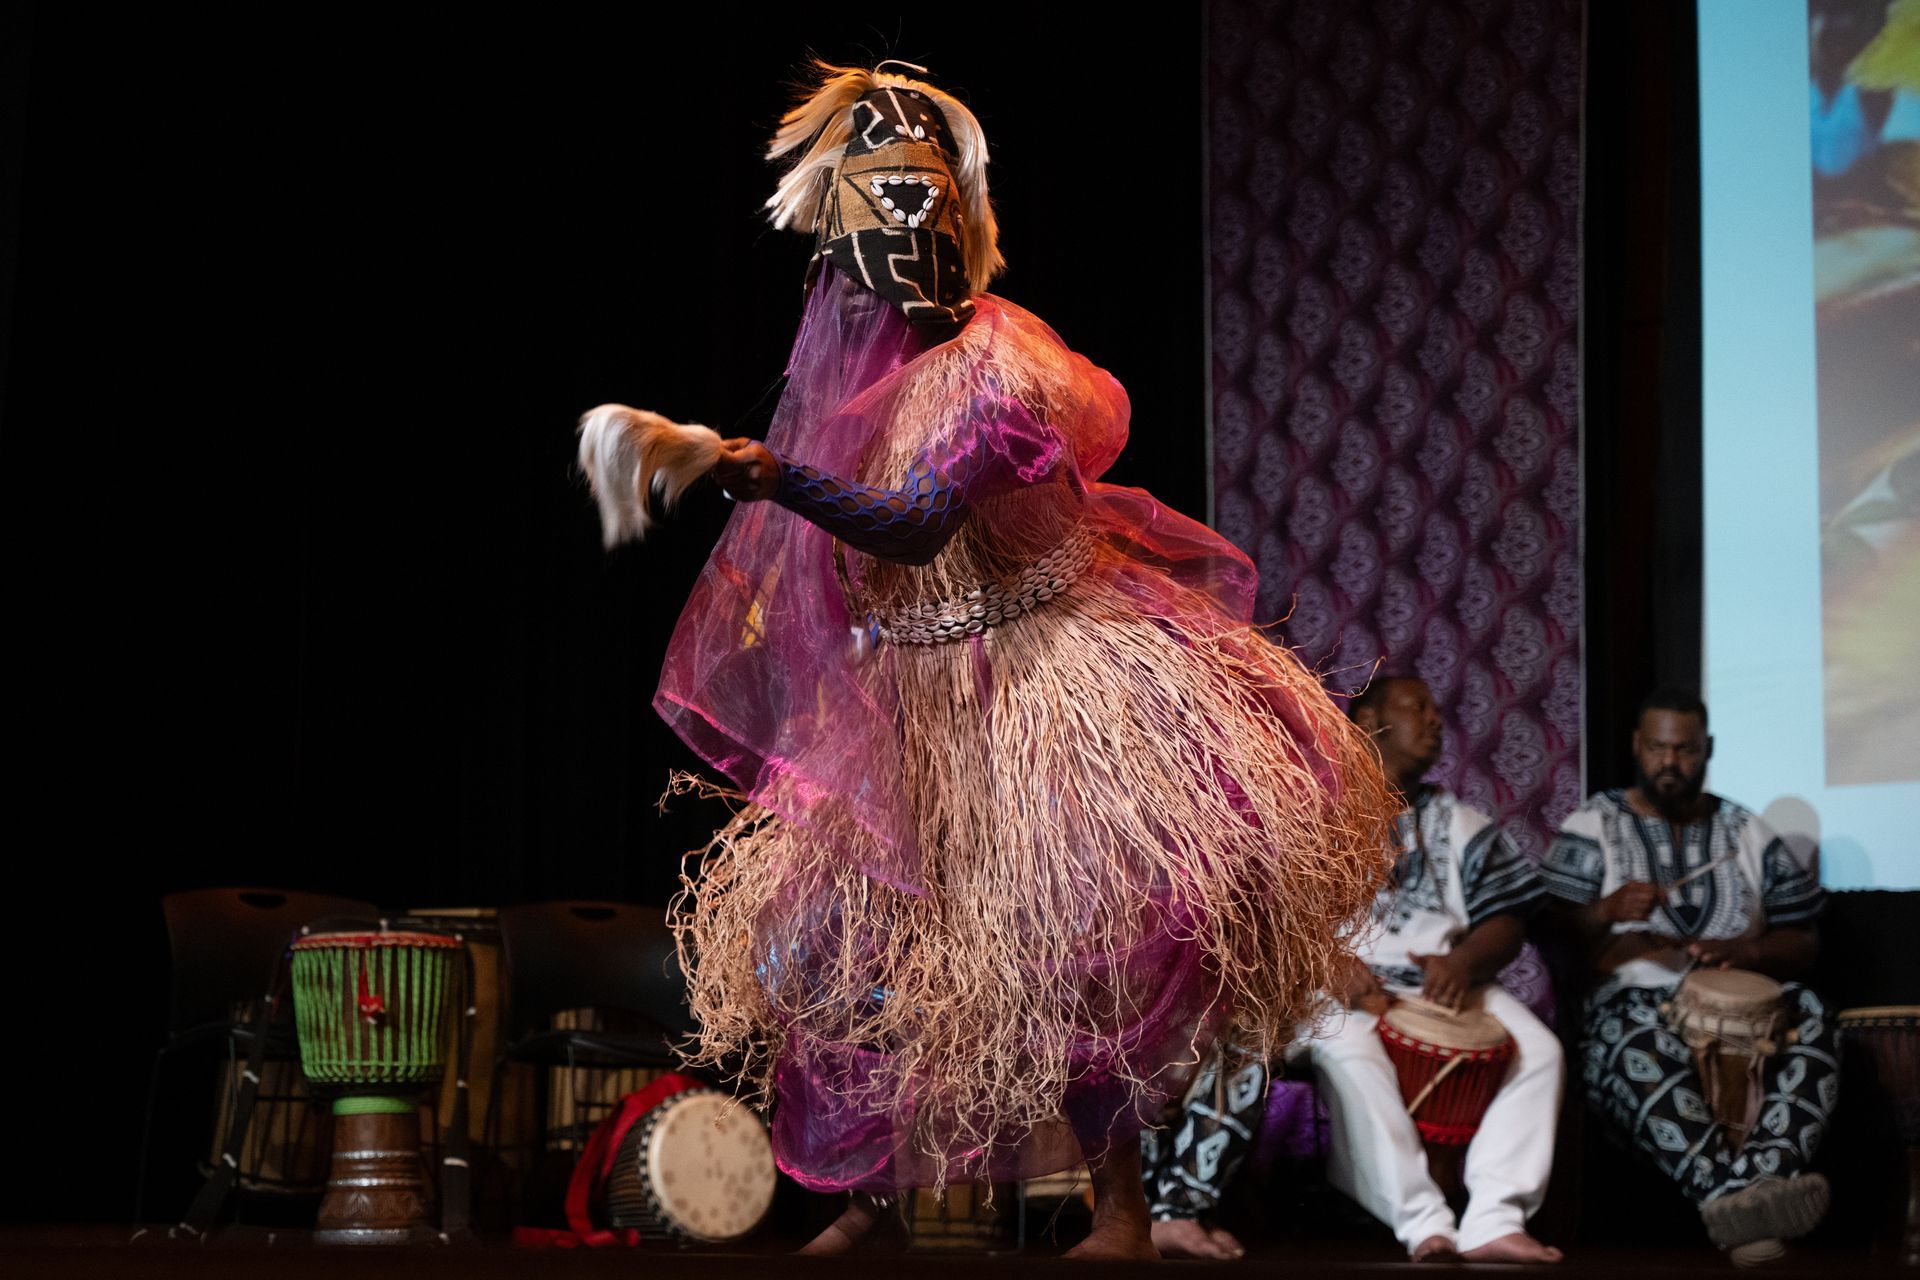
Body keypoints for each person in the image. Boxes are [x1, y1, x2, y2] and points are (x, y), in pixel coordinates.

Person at [597, 63, 1395, 1258]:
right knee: (858, 955)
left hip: (1039, 678)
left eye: (924, 213)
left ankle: (1123, 1210)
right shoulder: (856, 374)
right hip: (917, 703)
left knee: (1079, 955)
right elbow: (853, 564)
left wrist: (767, 475)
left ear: (959, 224)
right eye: (879, 231)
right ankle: (870, 1204)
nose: (899, 257)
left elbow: (916, 522)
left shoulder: (1001, 368)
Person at [1541, 689, 1836, 1262]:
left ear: (1708, 750)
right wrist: (1605, 911)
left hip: (1743, 1005)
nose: (1670, 763)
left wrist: (1749, 951)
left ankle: (1751, 1186)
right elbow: (1549, 934)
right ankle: (1742, 1201)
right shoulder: (1595, 823)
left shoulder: (1745, 829)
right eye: (1657, 748)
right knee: (1631, 1035)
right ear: (1636, 746)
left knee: (1814, 1016)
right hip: (1631, 1004)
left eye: (1685, 750)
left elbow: (1804, 938)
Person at [1291, 675, 1564, 1263]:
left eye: (1437, 709)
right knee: (1351, 1054)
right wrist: (1326, 961)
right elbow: (1269, 911)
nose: (1436, 720)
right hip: (1340, 987)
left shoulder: (1464, 825)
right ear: (1368, 723)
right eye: (1418, 707)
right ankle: (1424, 1223)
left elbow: (1507, 921)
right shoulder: (1314, 814)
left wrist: (1463, 962)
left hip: (1448, 985)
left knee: (1540, 1051)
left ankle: (1495, 1217)